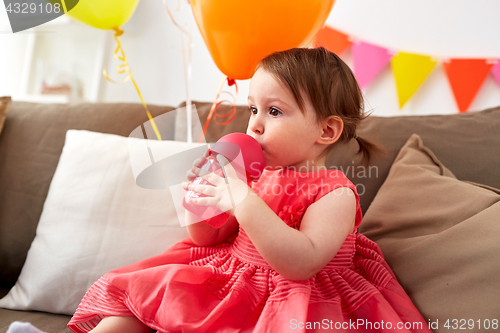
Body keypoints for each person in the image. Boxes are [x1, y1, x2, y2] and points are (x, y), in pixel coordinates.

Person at [68, 47, 432, 333]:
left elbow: (301, 262)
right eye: (252, 108)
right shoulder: (255, 174)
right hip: (233, 279)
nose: (254, 125)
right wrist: (202, 200)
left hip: (295, 300)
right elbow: (209, 240)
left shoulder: (335, 193)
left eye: (274, 112)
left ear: (326, 131)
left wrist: (242, 198)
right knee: (142, 305)